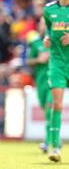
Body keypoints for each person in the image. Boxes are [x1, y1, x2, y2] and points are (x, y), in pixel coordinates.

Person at [43, 0, 69, 162]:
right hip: (57, 64)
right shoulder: (49, 10)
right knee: (57, 104)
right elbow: (47, 29)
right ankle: (55, 147)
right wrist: (46, 37)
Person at [26, 20, 52, 154]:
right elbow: (29, 61)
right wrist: (38, 60)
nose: (44, 26)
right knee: (46, 110)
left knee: (49, 108)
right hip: (40, 80)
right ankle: (53, 138)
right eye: (42, 23)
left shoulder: (58, 42)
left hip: (54, 79)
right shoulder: (36, 43)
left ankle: (48, 142)